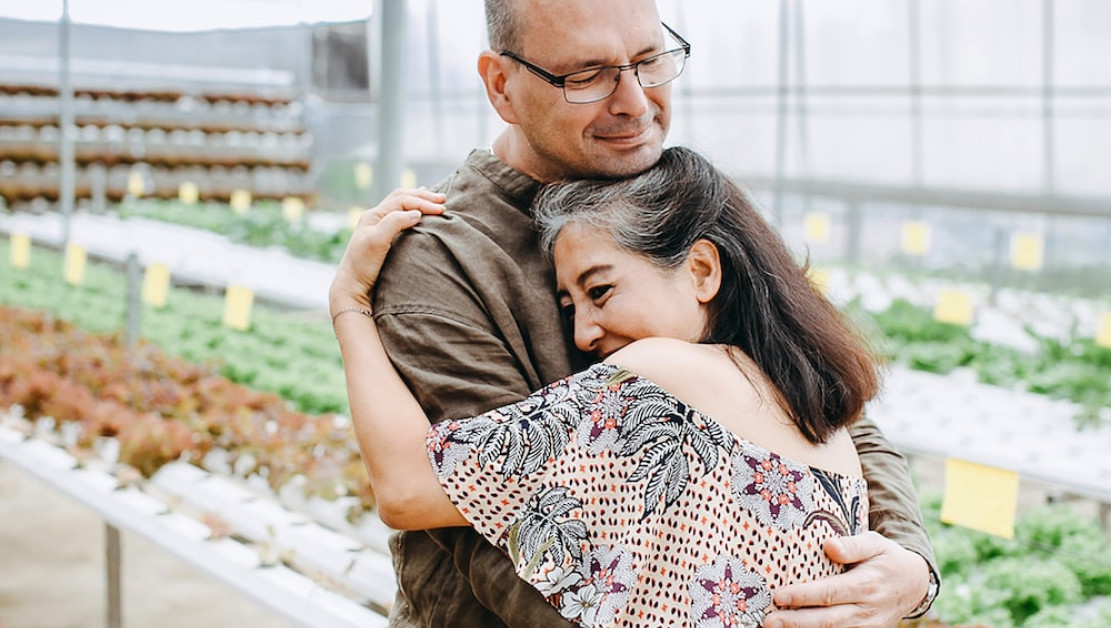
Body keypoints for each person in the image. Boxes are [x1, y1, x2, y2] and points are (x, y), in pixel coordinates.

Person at [362, 0, 939, 626]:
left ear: (702, 269)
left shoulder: (662, 187)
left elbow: (814, 388)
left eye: (649, 61)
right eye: (587, 75)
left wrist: (907, 565)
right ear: (502, 85)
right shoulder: (442, 255)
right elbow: (496, 533)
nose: (636, 103)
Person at [330, 146, 883, 626]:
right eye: (569, 305)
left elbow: (408, 489)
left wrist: (350, 303)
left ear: (701, 271)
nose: (583, 332)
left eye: (600, 290)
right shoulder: (828, 429)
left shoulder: (662, 378)